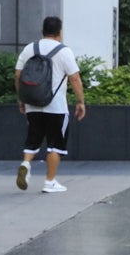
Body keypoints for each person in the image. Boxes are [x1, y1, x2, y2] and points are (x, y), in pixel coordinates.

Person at [15, 15, 85, 194]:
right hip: (56, 107)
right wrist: (80, 101)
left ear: (42, 31)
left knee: (33, 137)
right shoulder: (64, 51)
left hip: (32, 103)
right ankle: (50, 181)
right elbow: (75, 78)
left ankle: (25, 163)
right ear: (59, 33)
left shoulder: (30, 48)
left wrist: (22, 99)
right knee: (55, 144)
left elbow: (18, 75)